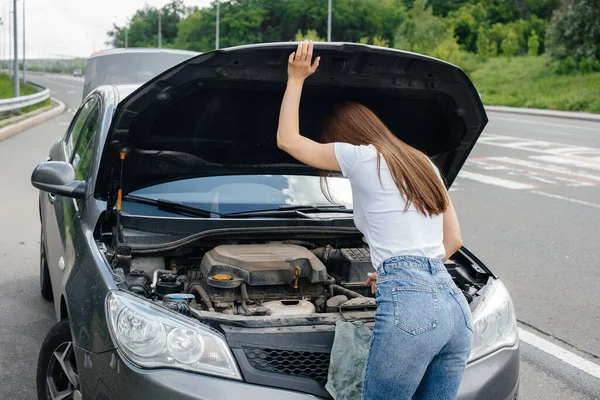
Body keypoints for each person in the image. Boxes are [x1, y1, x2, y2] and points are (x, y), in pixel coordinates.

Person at [276, 41, 473, 400]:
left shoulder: (360, 156)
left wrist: (296, 78)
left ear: (340, 136)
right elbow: (453, 240)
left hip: (412, 307)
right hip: (454, 307)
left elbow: (288, 140)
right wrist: (398, 272)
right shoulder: (422, 162)